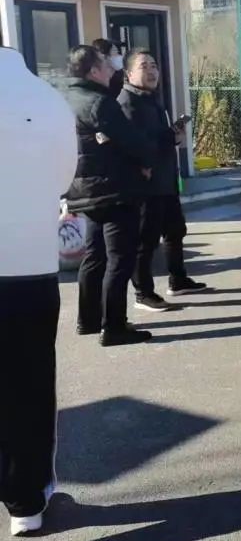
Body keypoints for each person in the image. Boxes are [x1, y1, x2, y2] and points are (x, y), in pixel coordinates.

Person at [0, 46, 76, 536]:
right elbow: (65, 177)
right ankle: (26, 502)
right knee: (29, 385)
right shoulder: (47, 99)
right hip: (29, 265)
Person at [63, 45, 155, 346]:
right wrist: (146, 161)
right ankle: (114, 326)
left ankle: (88, 319)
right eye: (105, 63)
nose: (112, 67)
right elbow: (132, 141)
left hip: (85, 190)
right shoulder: (101, 103)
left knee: (95, 255)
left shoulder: (66, 100)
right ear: (93, 71)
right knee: (120, 259)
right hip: (113, 190)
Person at [117, 49, 206, 311]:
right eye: (144, 66)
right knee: (145, 241)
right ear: (128, 74)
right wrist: (166, 140)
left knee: (175, 230)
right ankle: (143, 293)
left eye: (154, 66)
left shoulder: (152, 99)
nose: (152, 71)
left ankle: (178, 279)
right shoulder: (127, 103)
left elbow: (156, 137)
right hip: (146, 185)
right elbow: (134, 144)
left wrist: (173, 136)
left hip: (165, 180)